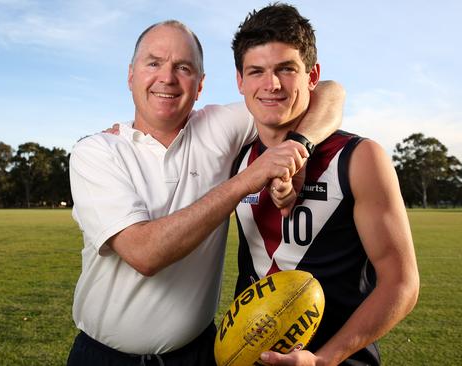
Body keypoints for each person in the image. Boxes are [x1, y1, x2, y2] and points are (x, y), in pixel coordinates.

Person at [67, 19, 345, 365]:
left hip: (199, 354)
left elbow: (328, 92)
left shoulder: (217, 125)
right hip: (104, 357)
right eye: (153, 63)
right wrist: (252, 176)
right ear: (130, 76)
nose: (167, 78)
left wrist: (298, 146)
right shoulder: (96, 152)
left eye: (183, 68)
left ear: (200, 85)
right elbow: (144, 254)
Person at [229, 4, 420, 366]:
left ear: (312, 75)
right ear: (240, 80)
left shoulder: (359, 157)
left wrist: (325, 359)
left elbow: (401, 284)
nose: (271, 84)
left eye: (286, 69)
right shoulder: (235, 156)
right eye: (256, 71)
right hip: (251, 355)